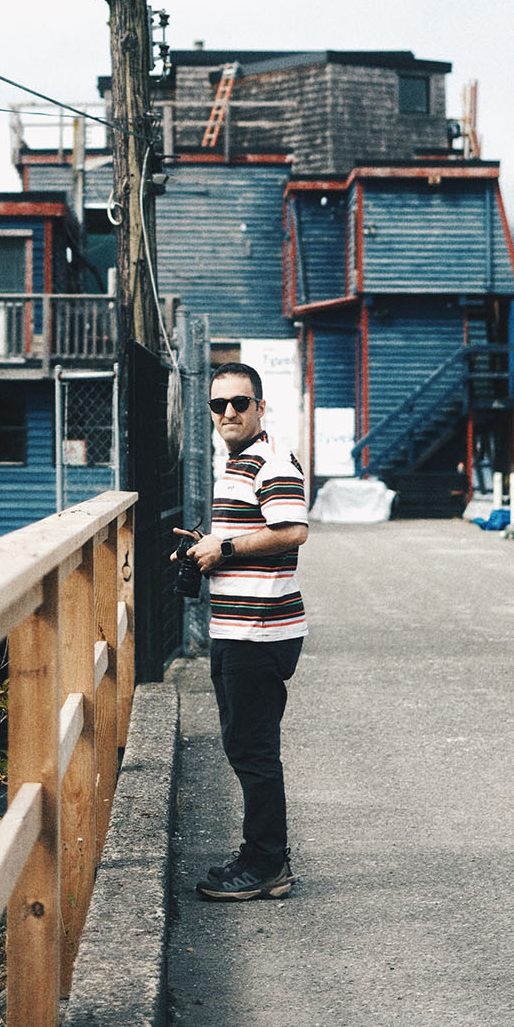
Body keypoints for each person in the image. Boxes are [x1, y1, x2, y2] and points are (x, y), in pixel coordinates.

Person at [173, 361, 309, 901]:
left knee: (253, 748)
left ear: (260, 407)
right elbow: (256, 530)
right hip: (237, 626)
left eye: (239, 403)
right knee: (243, 743)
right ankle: (263, 854)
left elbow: (293, 531)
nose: (228, 413)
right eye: (218, 405)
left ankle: (267, 863)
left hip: (262, 629)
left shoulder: (270, 461)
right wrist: (208, 544)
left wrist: (224, 547)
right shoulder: (236, 462)